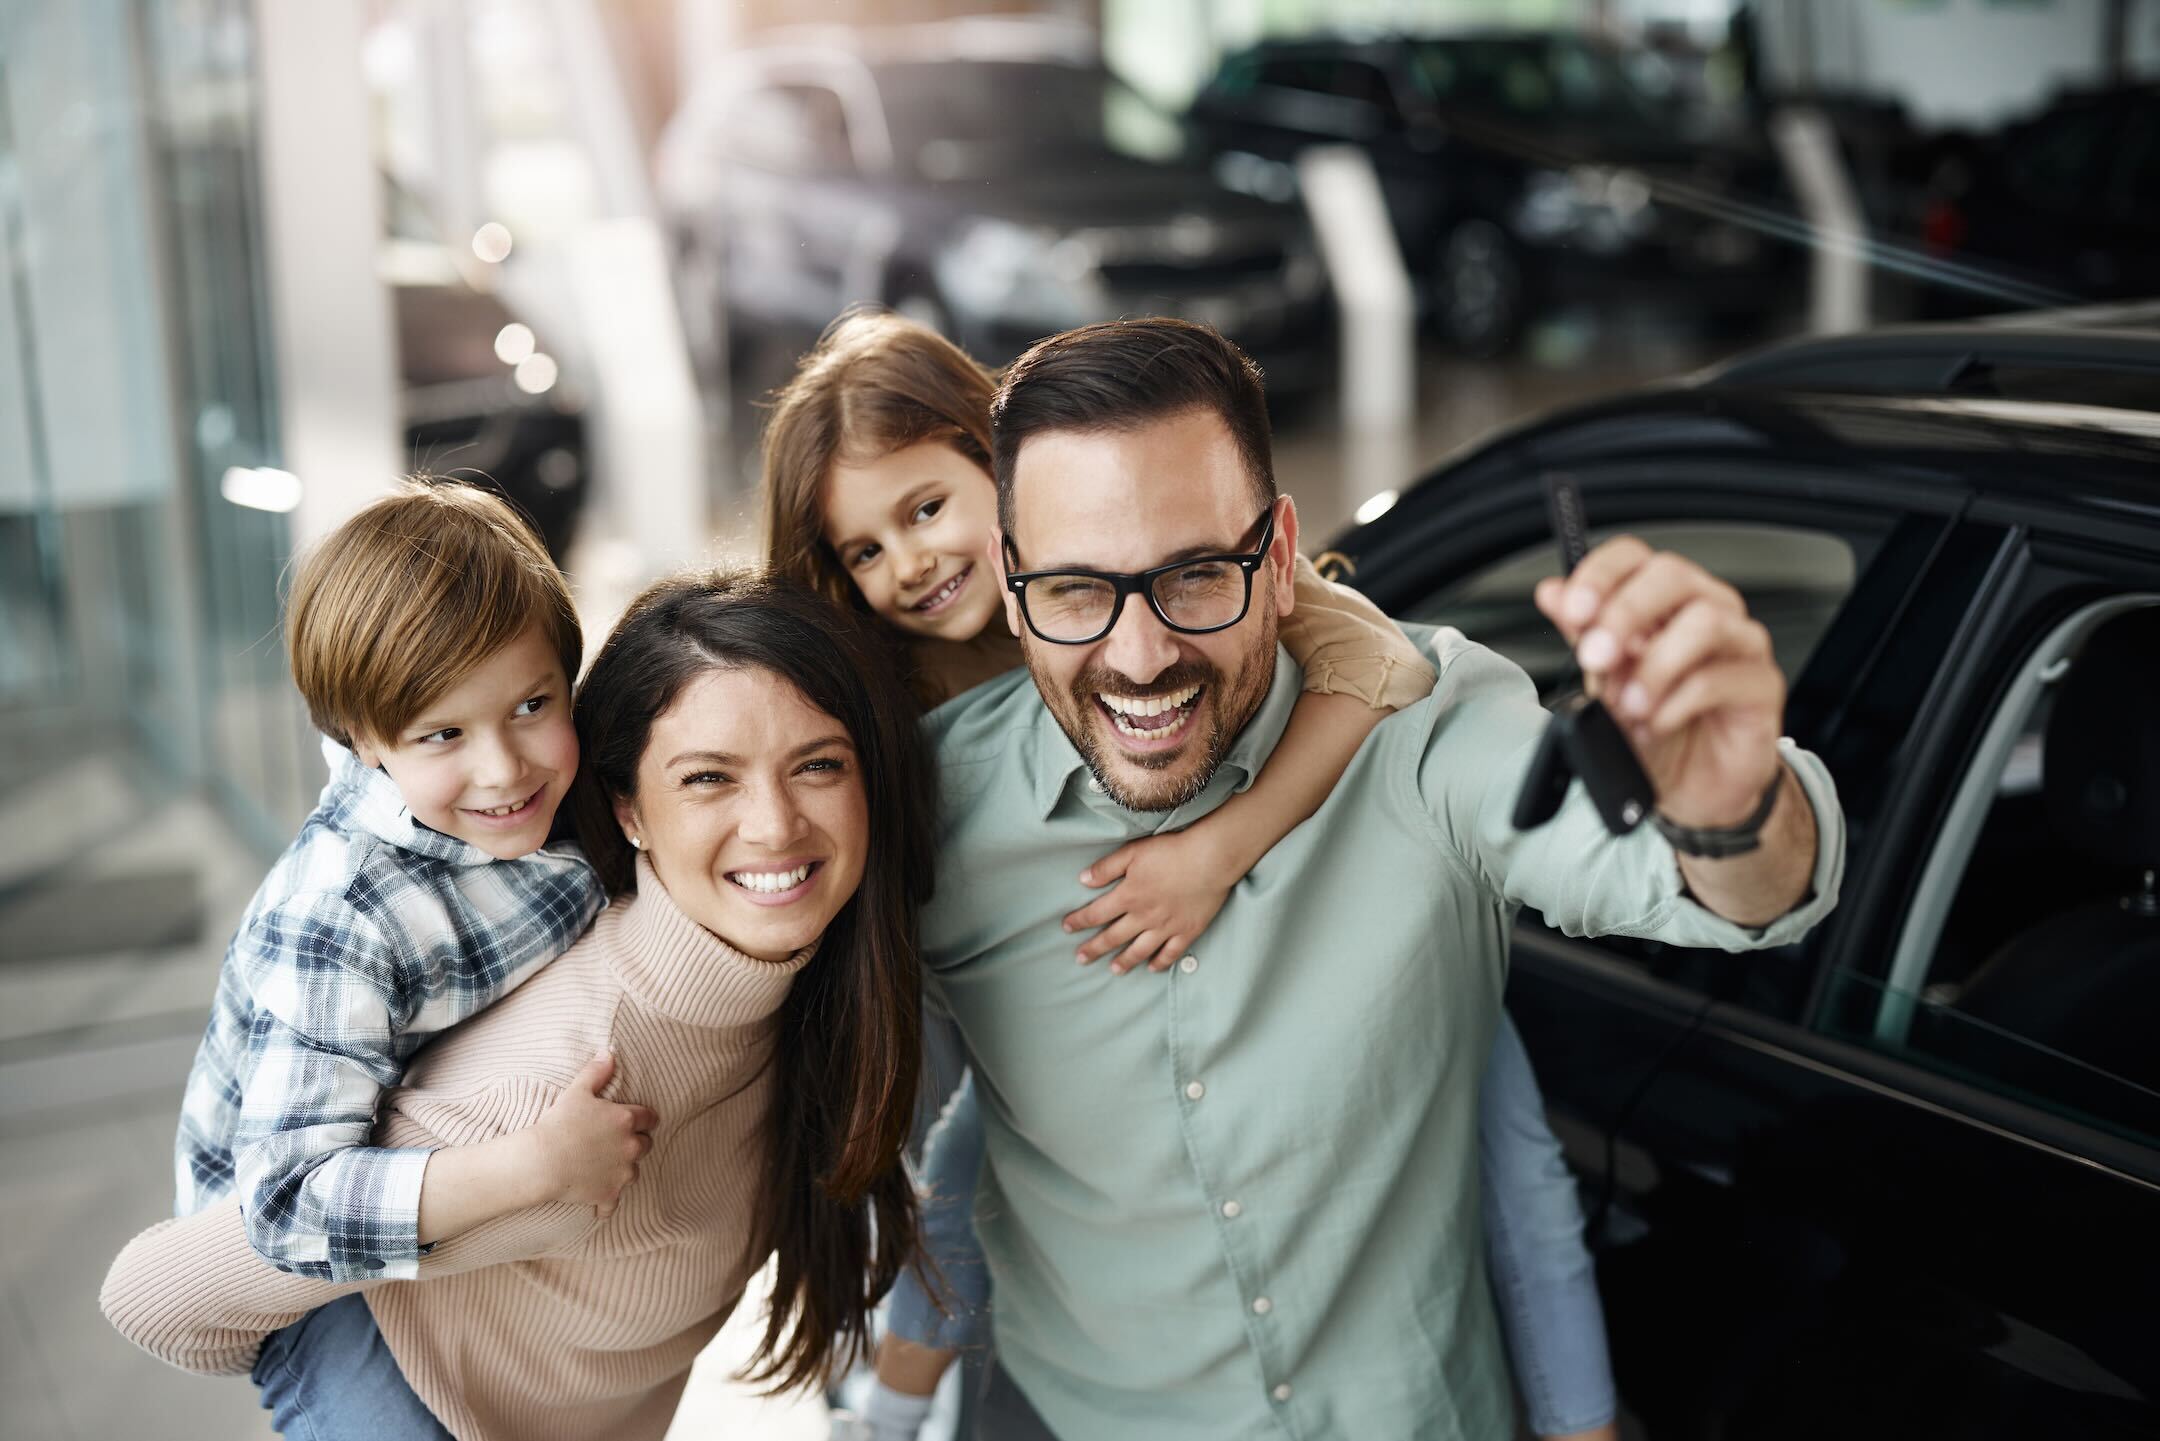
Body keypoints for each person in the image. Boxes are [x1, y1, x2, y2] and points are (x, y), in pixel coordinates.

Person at [910, 317, 1845, 1440]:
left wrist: (1731, 805)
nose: (1141, 653)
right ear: (1009, 585)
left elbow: (1724, 893)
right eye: (1073, 590)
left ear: (1281, 549)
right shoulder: (927, 812)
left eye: (1198, 574)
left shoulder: (1429, 728)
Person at [760, 312, 1623, 1440]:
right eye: (865, 551)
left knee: (1512, 1162)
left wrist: (1221, 846)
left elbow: (1380, 665)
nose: (911, 564)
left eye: (926, 510)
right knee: (973, 1157)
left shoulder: (1189, 569)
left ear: (1005, 475)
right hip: (1076, 1066)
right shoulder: (902, 712)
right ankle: (888, 1407)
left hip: (1366, 958)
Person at [102, 570, 934, 1441]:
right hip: (398, 1384)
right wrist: (517, 1182)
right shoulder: (545, 1091)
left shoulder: (809, 998)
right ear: (629, 811)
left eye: (818, 763)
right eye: (708, 779)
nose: (773, 824)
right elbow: (153, 1293)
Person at [173, 479, 645, 1295]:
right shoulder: (340, 911)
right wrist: (536, 1166)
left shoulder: (570, 795)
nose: (504, 769)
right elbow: (286, 1204)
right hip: (297, 1295)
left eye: (533, 704)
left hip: (439, 1228)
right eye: (444, 733)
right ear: (364, 740)